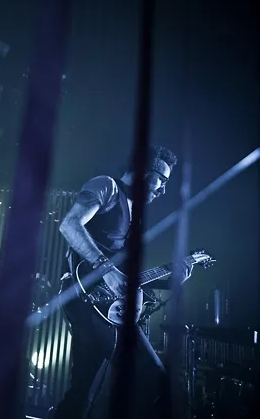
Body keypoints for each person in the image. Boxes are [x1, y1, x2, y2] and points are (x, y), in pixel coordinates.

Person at [52, 146, 191, 419]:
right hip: (86, 299)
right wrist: (106, 269)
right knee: (156, 381)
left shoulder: (134, 214)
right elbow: (69, 225)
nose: (163, 189)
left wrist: (170, 282)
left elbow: (124, 280)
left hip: (104, 308)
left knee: (83, 392)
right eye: (161, 180)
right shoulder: (107, 186)